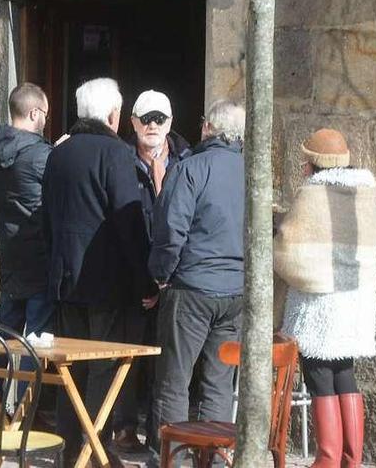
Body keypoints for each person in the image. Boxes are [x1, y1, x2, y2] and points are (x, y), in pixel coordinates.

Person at [42, 77, 156, 463]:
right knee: (102, 367)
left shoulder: (59, 153)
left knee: (69, 369)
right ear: (113, 114)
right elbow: (129, 223)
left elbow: (46, 220)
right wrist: (146, 280)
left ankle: (69, 449)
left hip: (64, 279)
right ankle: (93, 452)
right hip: (104, 281)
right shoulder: (116, 153)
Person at [275, 129, 376, 468]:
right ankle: (351, 460)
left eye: (306, 161)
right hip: (353, 302)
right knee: (344, 373)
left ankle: (327, 458)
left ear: (313, 164)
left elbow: (289, 250)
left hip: (319, 306)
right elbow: (375, 245)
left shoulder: (313, 193)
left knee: (318, 373)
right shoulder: (364, 192)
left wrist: (277, 233)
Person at [147, 100, 246, 466]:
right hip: (234, 291)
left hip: (192, 287)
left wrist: (160, 275)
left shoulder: (191, 168)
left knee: (174, 379)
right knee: (219, 381)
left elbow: (170, 229)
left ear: (207, 128)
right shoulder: (251, 173)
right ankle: (216, 459)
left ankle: (177, 459)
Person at [113, 90, 191, 452]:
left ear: (171, 123)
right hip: (132, 276)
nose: (153, 126)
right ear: (132, 123)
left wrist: (162, 185)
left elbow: (182, 224)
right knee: (129, 354)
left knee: (168, 363)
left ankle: (164, 432)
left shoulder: (188, 162)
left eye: (160, 119)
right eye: (146, 119)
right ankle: (124, 428)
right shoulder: (120, 159)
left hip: (175, 280)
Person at [0, 83, 54, 427]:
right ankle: (27, 413)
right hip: (38, 254)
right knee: (34, 341)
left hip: (9, 254)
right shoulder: (42, 155)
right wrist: (59, 154)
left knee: (5, 336)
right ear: (35, 113)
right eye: (46, 115)